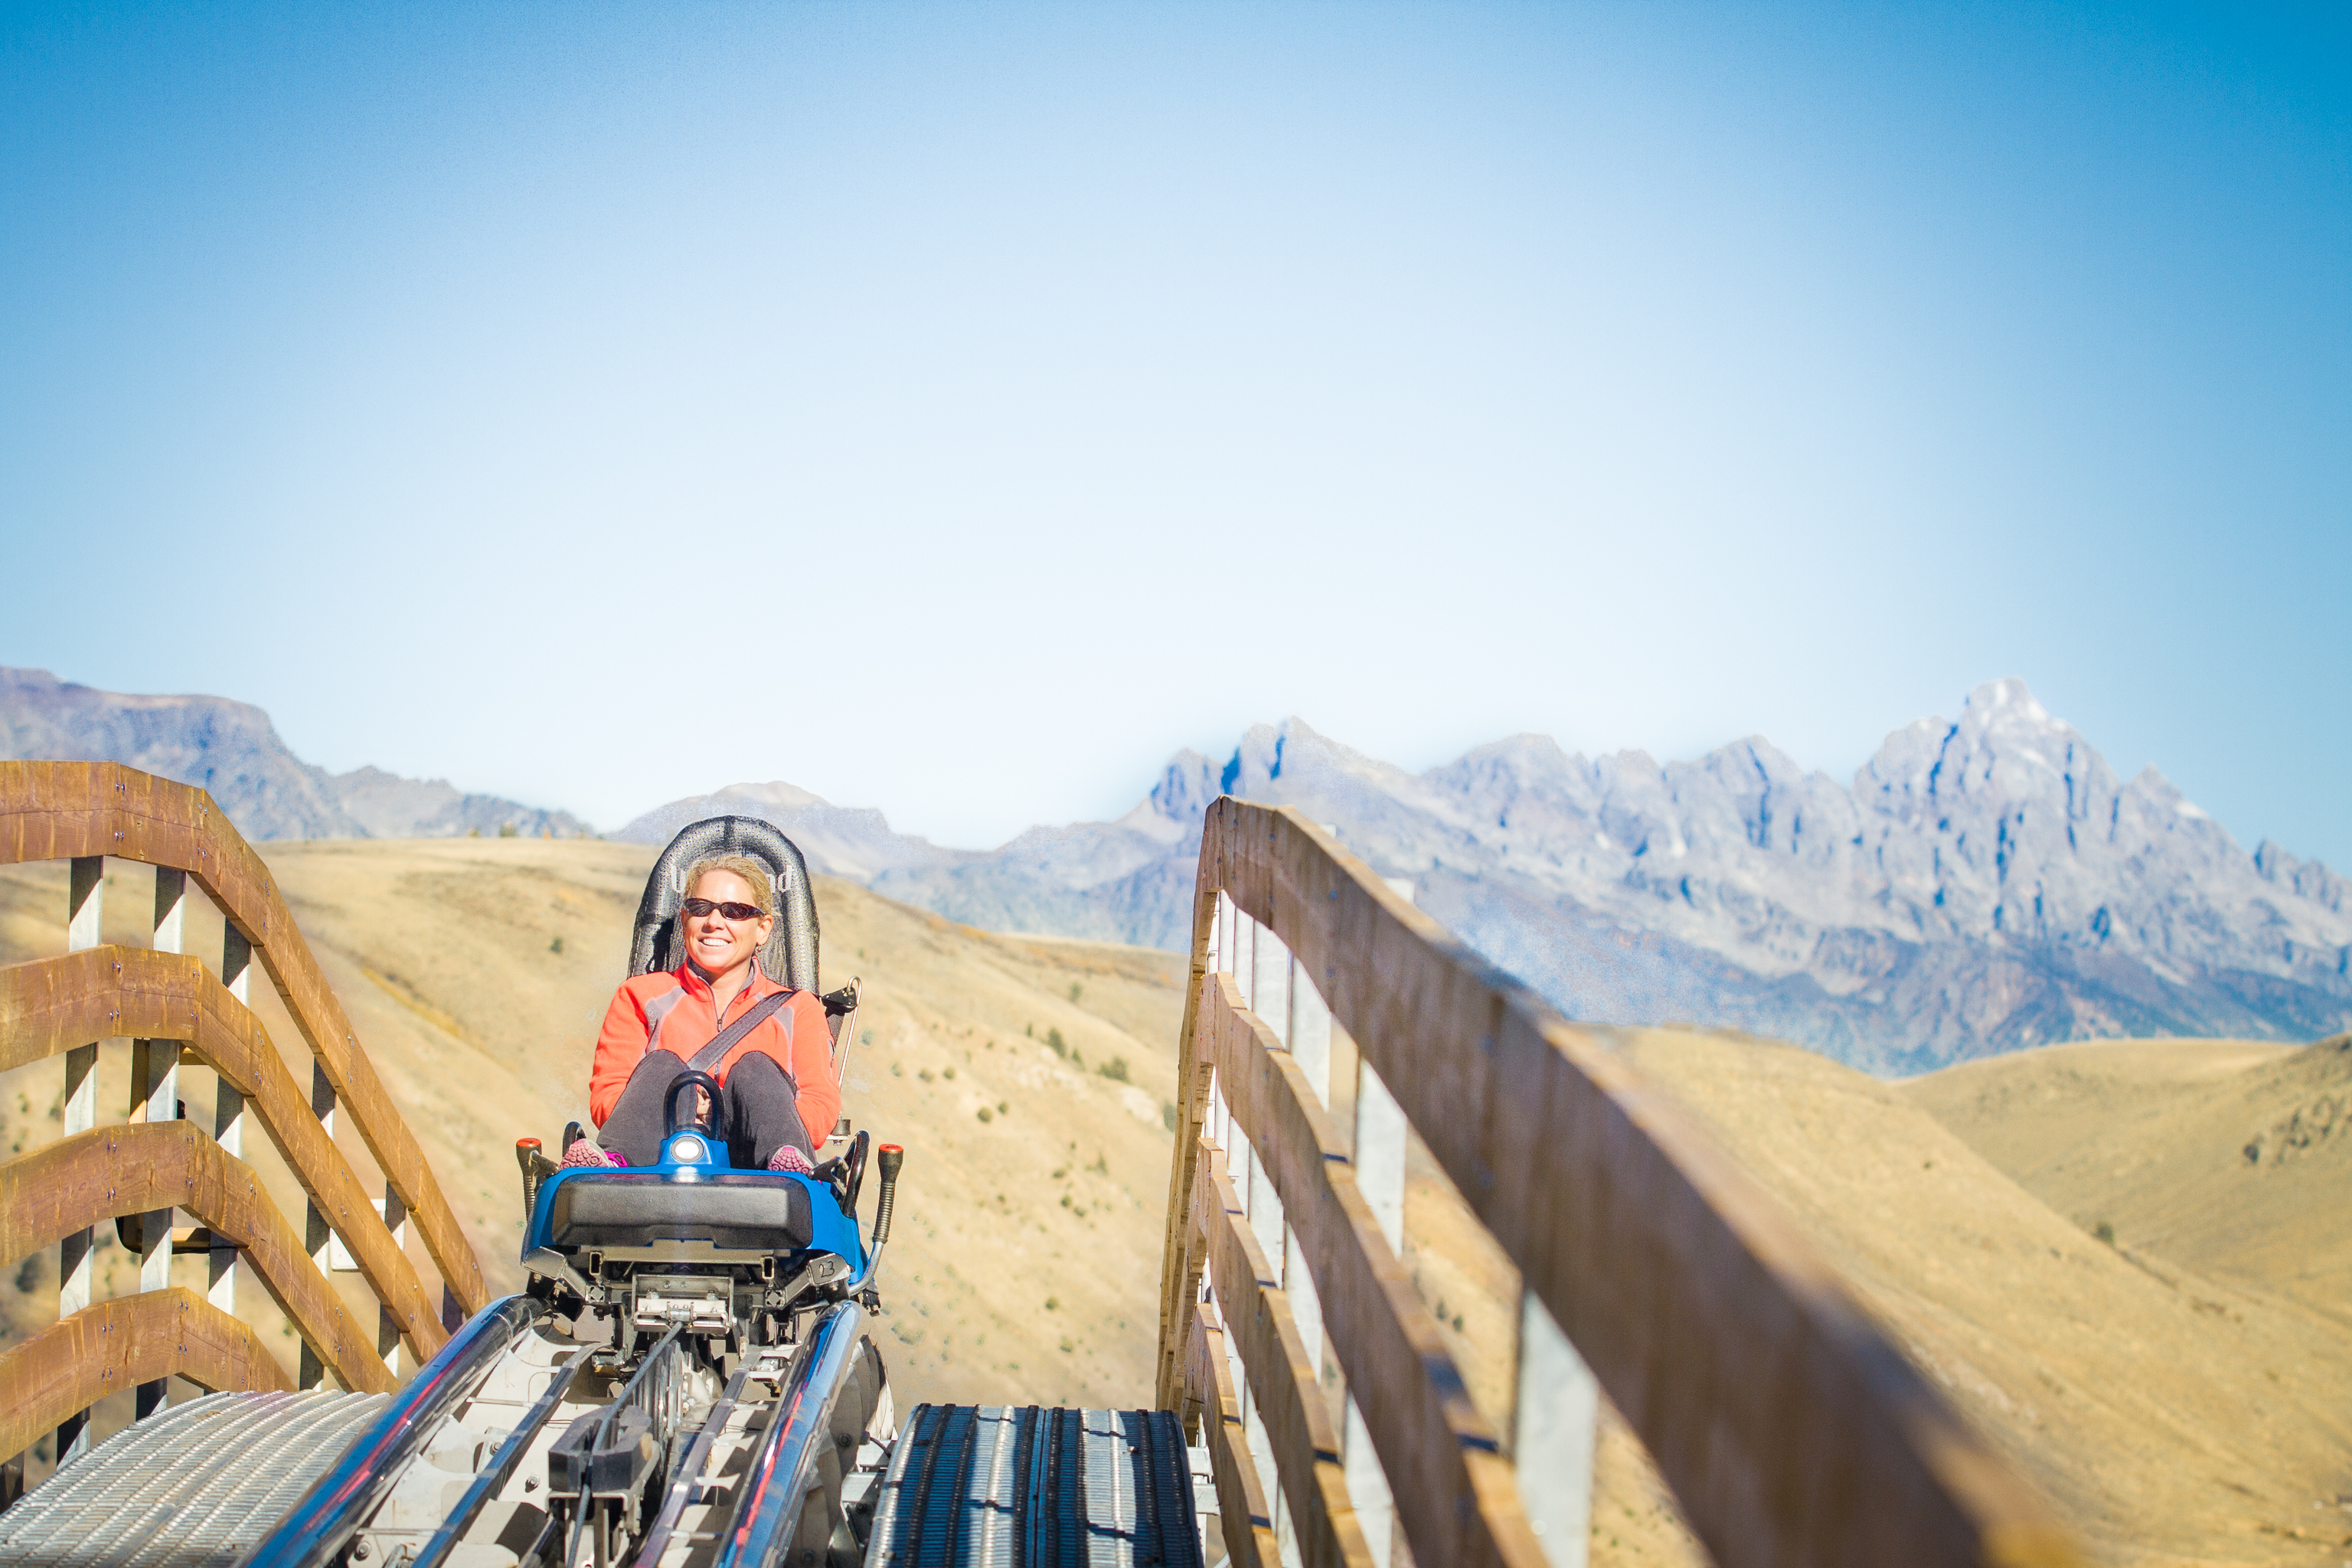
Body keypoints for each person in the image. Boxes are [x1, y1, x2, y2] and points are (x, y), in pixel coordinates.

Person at [567, 854, 840, 1173]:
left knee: (755, 1070)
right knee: (662, 1067)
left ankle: (787, 1165)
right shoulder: (639, 996)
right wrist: (680, 1107)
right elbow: (608, 1094)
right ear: (685, 920)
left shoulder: (797, 1008)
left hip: (758, 1170)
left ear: (763, 929)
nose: (714, 921)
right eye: (700, 908)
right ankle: (616, 1163)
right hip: (658, 1163)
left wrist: (729, 1116)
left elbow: (821, 1103)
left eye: (735, 911)